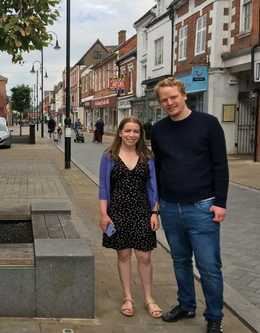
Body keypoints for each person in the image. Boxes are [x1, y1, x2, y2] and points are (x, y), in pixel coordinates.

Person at [151, 77, 229, 333]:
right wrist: (157, 204)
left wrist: (220, 202)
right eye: (164, 99)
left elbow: (220, 165)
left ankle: (214, 316)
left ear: (184, 95)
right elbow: (159, 167)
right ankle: (186, 305)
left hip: (203, 208)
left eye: (173, 97)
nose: (169, 102)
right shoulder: (159, 129)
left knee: (208, 266)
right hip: (170, 207)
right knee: (180, 261)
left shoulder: (208, 124)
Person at [98, 116, 162, 319]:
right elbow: (103, 187)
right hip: (118, 212)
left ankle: (149, 298)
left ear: (140, 134)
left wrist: (154, 212)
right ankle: (128, 297)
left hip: (143, 212)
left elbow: (154, 187)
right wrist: (103, 215)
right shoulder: (109, 156)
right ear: (120, 132)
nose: (132, 135)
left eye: (136, 131)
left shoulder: (147, 156)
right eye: (128, 131)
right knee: (123, 255)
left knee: (144, 256)